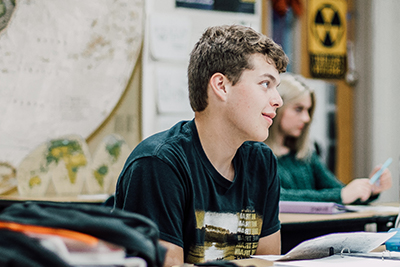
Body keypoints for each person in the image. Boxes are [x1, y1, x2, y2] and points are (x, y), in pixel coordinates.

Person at [114, 25, 289, 266]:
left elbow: (269, 262)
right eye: (265, 84)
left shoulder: (262, 162)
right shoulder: (158, 164)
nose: (278, 100)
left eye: (276, 87)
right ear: (221, 86)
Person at [265, 73, 392, 205]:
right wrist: (341, 195)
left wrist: (370, 189)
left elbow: (340, 191)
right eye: (298, 109)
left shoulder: (306, 156)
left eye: (308, 110)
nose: (306, 118)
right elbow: (276, 197)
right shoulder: (256, 155)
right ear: (277, 108)